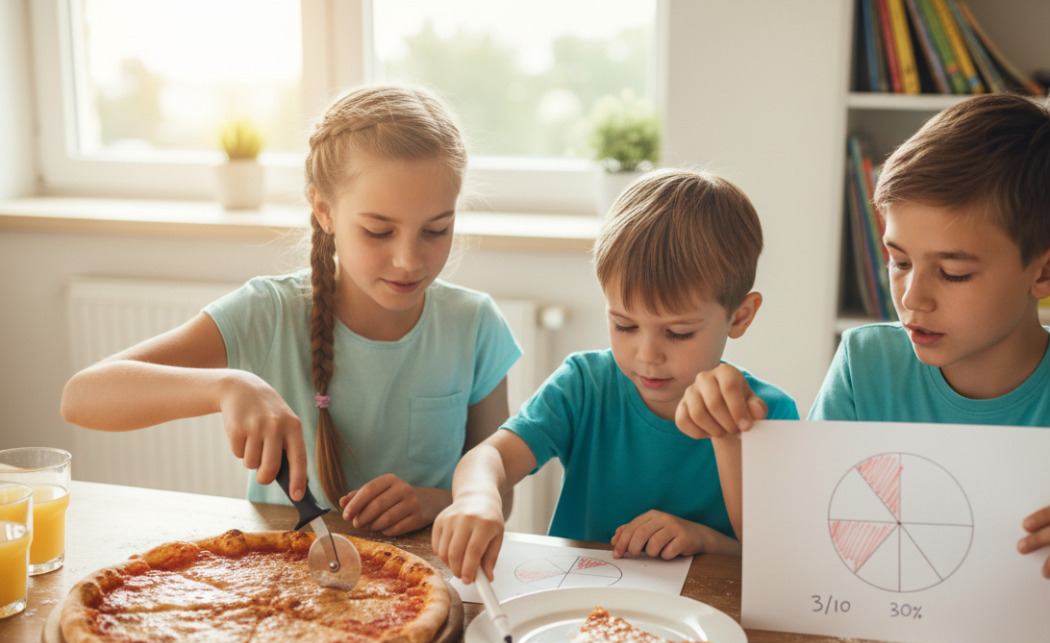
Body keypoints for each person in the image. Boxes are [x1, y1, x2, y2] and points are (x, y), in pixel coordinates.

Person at [679, 93, 1050, 623]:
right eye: (899, 261)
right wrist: (728, 433)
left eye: (953, 272)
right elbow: (795, 555)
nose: (912, 298)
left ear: (1047, 271)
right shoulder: (866, 363)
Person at [60, 85, 521, 537]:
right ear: (323, 209)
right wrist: (226, 385)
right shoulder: (268, 312)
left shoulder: (474, 325)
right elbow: (82, 397)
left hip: (429, 577)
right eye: (379, 232)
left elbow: (500, 489)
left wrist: (436, 502)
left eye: (436, 229)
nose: (409, 259)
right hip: (286, 585)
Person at [432, 168, 799, 583]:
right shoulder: (584, 385)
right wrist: (478, 498)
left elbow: (779, 565)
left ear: (741, 316)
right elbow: (491, 456)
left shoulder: (770, 413)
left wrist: (705, 537)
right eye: (625, 325)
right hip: (577, 615)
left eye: (678, 332)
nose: (646, 355)